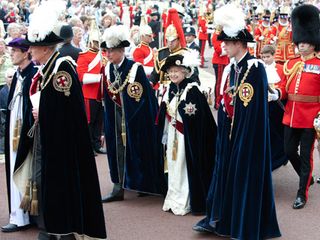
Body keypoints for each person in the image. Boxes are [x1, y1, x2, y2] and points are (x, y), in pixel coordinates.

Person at [193, 4, 281, 239]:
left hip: (246, 136)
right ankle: (221, 218)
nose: (222, 46)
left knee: (243, 177)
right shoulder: (234, 67)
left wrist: (240, 135)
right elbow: (227, 102)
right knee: (223, 173)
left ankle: (241, 223)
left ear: (239, 43)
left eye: (227, 42)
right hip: (229, 132)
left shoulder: (254, 68)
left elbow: (253, 109)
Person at [23, 1, 107, 239]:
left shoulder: (61, 68)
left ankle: (64, 229)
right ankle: (55, 227)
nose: (31, 51)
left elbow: (65, 111)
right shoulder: (49, 67)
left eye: (35, 47)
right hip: (54, 138)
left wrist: (43, 112)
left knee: (63, 187)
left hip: (64, 142)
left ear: (46, 48)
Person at [101, 24, 165, 203]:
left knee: (139, 148)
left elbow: (145, 97)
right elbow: (106, 97)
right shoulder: (107, 70)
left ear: (121, 50)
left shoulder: (134, 68)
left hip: (135, 117)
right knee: (116, 150)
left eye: (111, 51)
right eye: (106, 51)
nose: (108, 55)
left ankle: (142, 183)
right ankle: (118, 186)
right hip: (115, 117)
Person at [157, 50, 217, 215]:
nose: (173, 74)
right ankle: (173, 198)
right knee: (173, 165)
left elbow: (198, 118)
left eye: (176, 71)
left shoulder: (192, 90)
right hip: (172, 134)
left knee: (184, 165)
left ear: (184, 71)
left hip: (186, 137)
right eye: (170, 72)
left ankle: (187, 200)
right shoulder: (169, 89)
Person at [273, 5, 320, 209]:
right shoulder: (290, 64)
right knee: (289, 150)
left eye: (306, 42)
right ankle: (306, 176)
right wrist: (276, 93)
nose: (301, 46)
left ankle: (302, 193)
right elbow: (284, 87)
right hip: (291, 114)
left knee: (306, 156)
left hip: (310, 116)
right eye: (299, 42)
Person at [1, 38, 36, 233]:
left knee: (25, 171)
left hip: (26, 132)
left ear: (25, 53)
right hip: (14, 131)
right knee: (15, 169)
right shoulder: (17, 75)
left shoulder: (33, 74)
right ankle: (18, 215)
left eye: (14, 51)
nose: (11, 54)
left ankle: (26, 215)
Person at [76, 19, 106, 155]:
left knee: (99, 122)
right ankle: (88, 146)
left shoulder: (104, 55)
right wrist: (99, 78)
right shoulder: (84, 56)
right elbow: (82, 76)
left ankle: (97, 144)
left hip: (101, 94)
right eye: (95, 42)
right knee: (89, 121)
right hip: (89, 93)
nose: (97, 45)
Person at [261, 45, 288, 170]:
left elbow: (284, 84)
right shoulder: (260, 69)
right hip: (265, 105)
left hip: (277, 104)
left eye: (268, 56)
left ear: (273, 55)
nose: (265, 59)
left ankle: (282, 156)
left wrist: (277, 92)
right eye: (263, 57)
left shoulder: (281, 69)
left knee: (278, 131)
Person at [211, 26, 229, 110]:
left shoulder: (225, 33)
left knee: (225, 82)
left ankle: (223, 100)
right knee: (219, 82)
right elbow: (219, 51)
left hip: (225, 61)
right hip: (219, 61)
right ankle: (218, 102)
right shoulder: (216, 35)